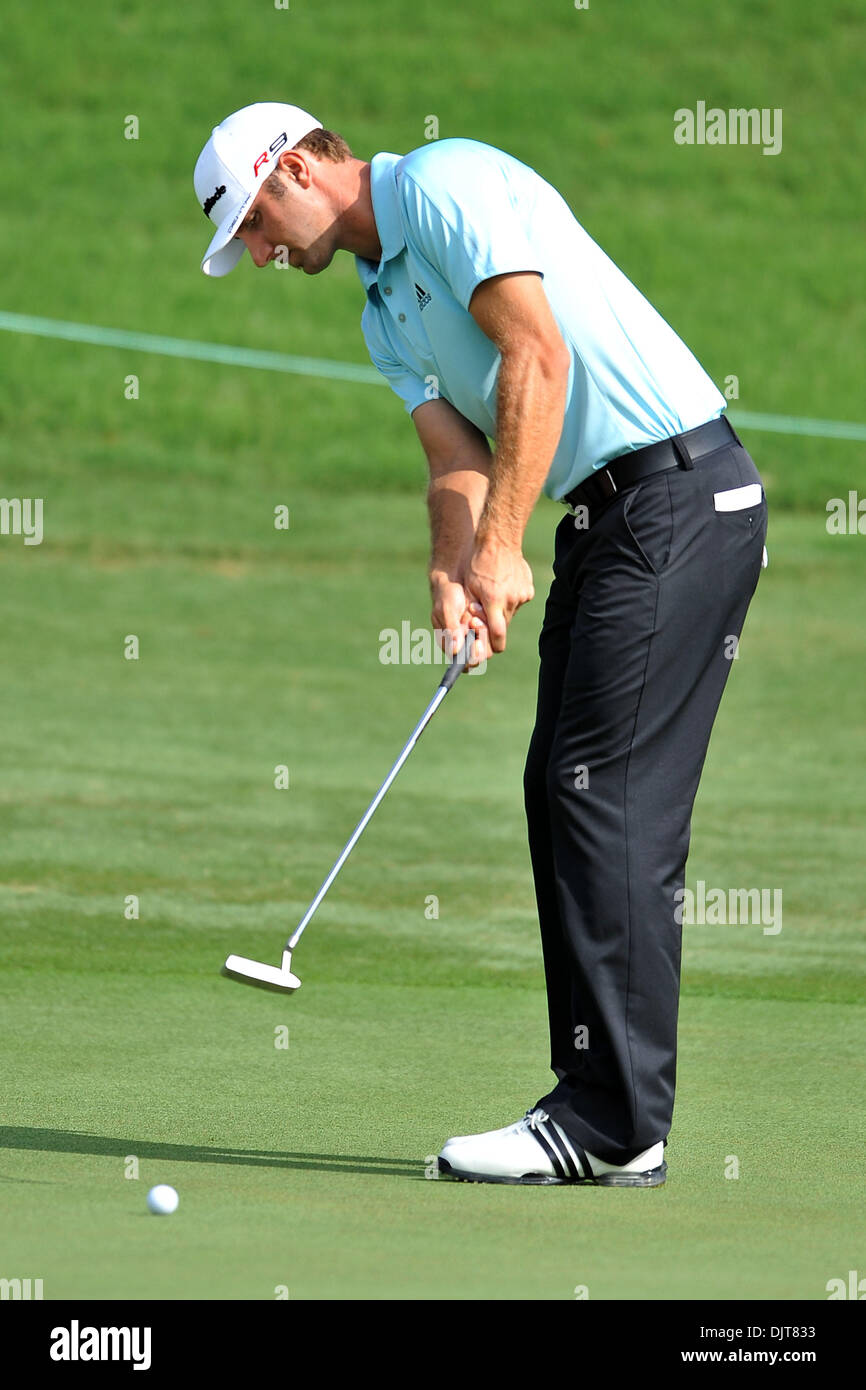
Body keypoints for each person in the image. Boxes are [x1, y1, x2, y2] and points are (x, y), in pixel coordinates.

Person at [193, 102, 768, 1187]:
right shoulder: (377, 311)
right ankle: (602, 1104)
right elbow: (454, 452)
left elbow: (535, 357)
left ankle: (612, 1123)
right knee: (561, 787)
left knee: (602, 793)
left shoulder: (443, 185)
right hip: (611, 517)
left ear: (296, 167)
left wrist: (506, 544)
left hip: (678, 496)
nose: (263, 254)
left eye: (256, 225)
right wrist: (455, 566)